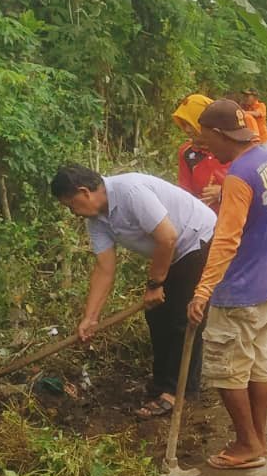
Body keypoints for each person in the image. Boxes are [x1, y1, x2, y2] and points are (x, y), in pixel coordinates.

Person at [52, 163, 216, 416]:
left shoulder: (130, 191)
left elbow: (168, 236)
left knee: (182, 316)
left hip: (199, 238)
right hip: (171, 253)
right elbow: (104, 268)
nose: (73, 212)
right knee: (156, 314)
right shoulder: (97, 221)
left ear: (84, 192)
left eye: (71, 204)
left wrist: (155, 284)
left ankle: (179, 392)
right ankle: (161, 384)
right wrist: (90, 317)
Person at [186, 99, 267, 470]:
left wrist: (202, 291)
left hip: (241, 290)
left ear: (218, 134)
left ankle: (247, 443)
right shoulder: (265, 160)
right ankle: (258, 440)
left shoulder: (237, 177)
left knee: (228, 368)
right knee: (256, 366)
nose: (204, 147)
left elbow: (227, 238)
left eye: (205, 139)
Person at [173, 92, 229, 208]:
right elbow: (185, 193)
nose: (187, 130)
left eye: (191, 124)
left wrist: (223, 192)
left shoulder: (232, 149)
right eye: (184, 124)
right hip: (204, 220)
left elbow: (252, 188)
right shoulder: (187, 153)